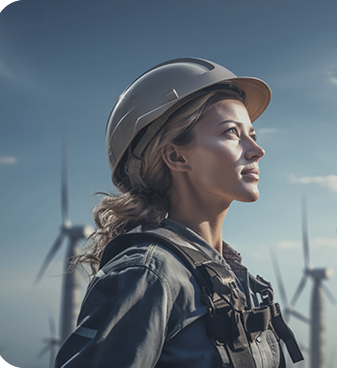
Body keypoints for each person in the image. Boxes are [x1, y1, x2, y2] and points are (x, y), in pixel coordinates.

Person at [54, 58, 303, 368]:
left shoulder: (241, 282)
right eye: (231, 133)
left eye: (252, 133)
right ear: (175, 155)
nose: (256, 149)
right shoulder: (146, 274)